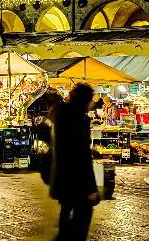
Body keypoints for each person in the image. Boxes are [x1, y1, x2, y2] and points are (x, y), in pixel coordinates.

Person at [50, 84, 98, 241]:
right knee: (82, 219)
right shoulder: (80, 119)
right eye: (91, 100)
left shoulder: (60, 113)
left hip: (62, 177)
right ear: (85, 100)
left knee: (66, 214)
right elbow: (82, 154)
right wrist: (91, 187)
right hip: (77, 180)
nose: (92, 104)